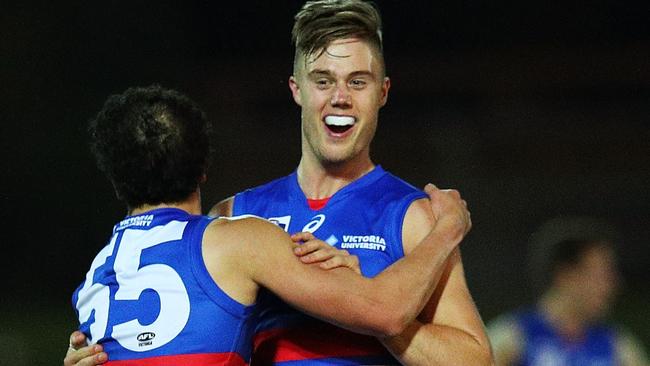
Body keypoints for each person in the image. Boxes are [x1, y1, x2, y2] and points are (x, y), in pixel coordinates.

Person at [66, 0, 493, 365]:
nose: (340, 97)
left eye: (357, 82)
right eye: (322, 80)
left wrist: (381, 318)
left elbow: (476, 359)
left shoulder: (413, 216)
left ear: (382, 92)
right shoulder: (233, 217)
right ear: (296, 89)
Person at [487, 216, 648, 366]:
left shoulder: (617, 346)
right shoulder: (514, 336)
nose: (612, 284)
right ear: (566, 275)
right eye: (602, 275)